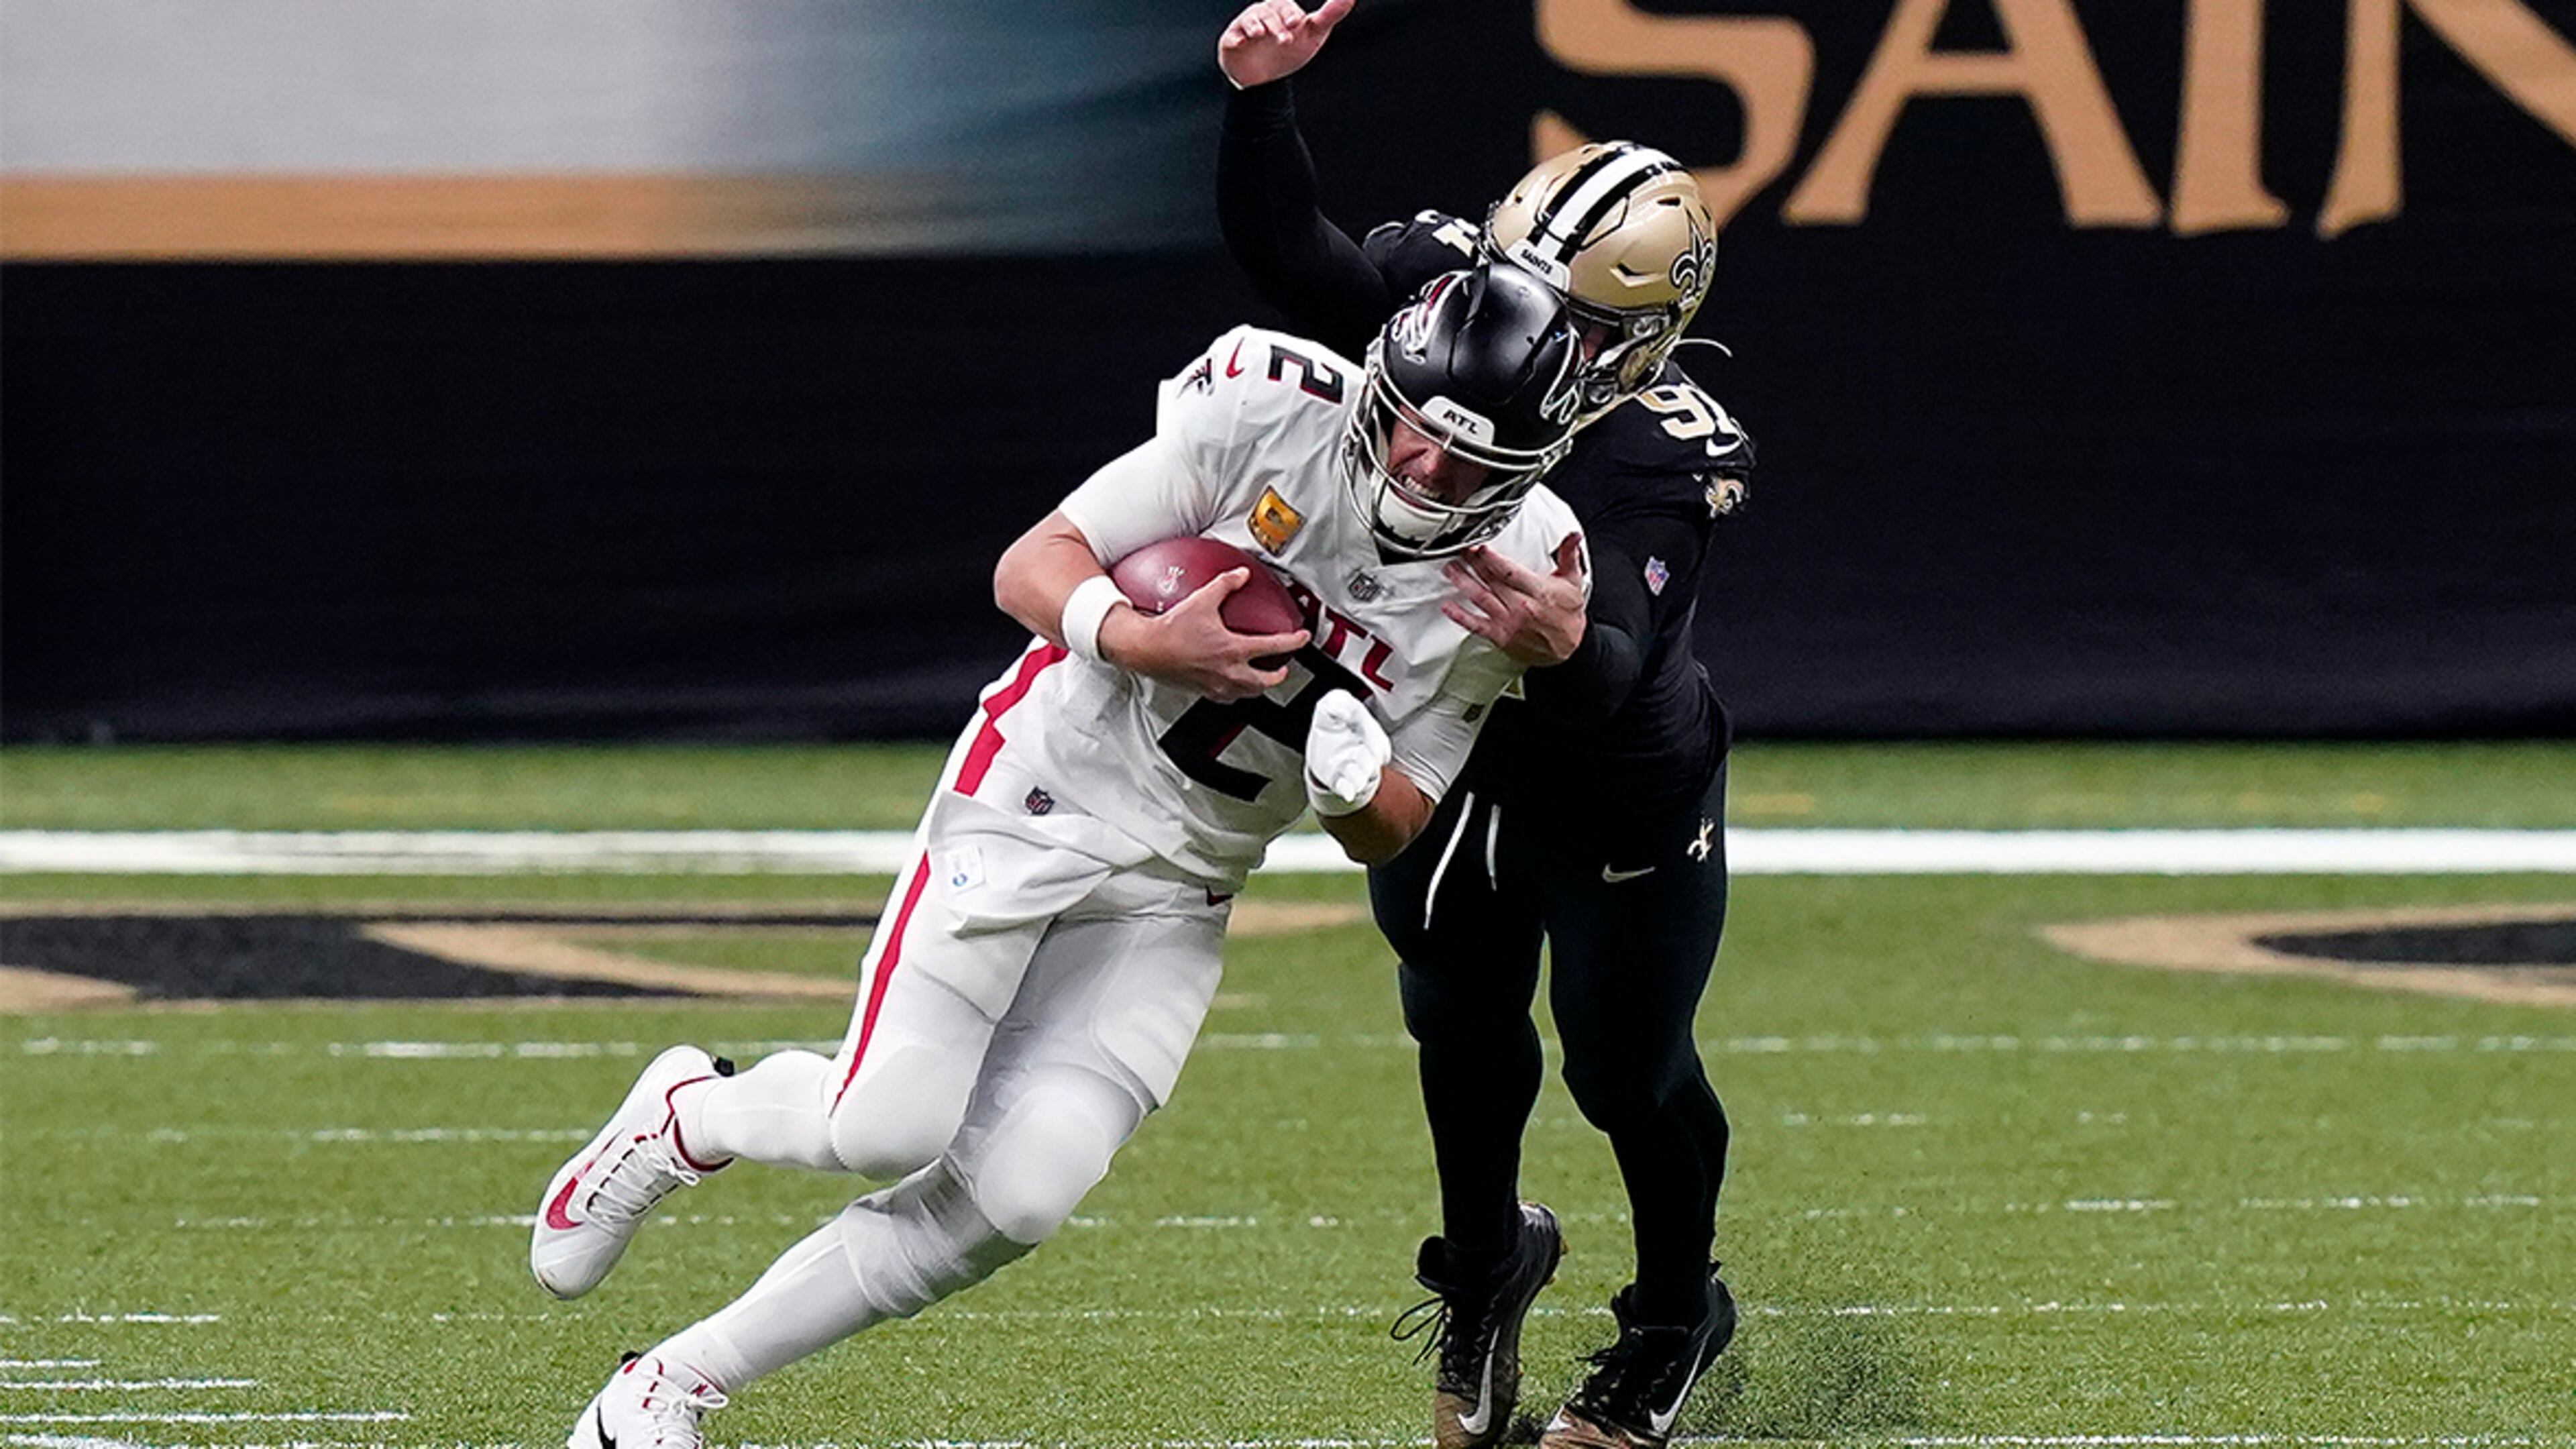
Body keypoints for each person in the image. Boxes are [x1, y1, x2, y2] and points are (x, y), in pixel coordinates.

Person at [526, 262, 1591, 1449]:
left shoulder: (1522, 576)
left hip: (1185, 882)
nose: (1418, 468)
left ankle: (667, 1388)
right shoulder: (1266, 410)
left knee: (1021, 1194)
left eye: (1467, 464)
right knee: (885, 1125)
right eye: (1408, 426)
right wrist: (1142, 639)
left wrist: (1351, 783)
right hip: (1041, 788)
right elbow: (1033, 563)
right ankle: (688, 1115)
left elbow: (1396, 825)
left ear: (1526, 470)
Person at [1214, 5, 1760, 1447]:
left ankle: (1671, 1315)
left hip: (1613, 783)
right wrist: (1261, 105)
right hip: (1441, 750)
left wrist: (1565, 640)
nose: (1527, 332)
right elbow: (1296, 267)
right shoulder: (1449, 295)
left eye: (1576, 323)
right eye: (1525, 292)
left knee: (1621, 1064)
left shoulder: (1660, 451)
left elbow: (1616, 674)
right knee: (1454, 1023)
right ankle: (1487, 1268)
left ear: (1643, 339)